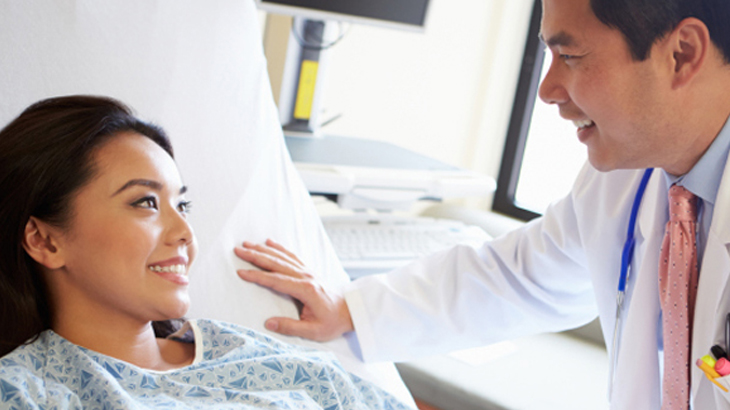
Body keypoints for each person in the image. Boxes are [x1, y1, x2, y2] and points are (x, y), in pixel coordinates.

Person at [233, 0, 730, 408]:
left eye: (571, 57)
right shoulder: (627, 179)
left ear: (682, 54)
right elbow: (517, 276)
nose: (547, 90)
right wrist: (352, 309)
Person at [0, 95, 411, 410]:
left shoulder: (249, 355)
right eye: (145, 203)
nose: (184, 232)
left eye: (183, 206)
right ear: (44, 241)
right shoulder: (26, 391)